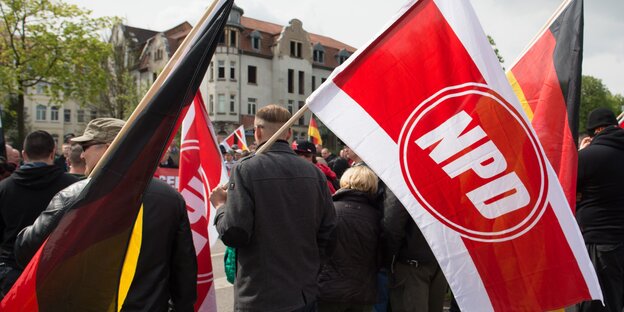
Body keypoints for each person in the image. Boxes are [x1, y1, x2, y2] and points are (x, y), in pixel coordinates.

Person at [14, 118, 197, 311]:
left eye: (86, 146)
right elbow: (184, 275)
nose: (82, 155)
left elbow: (25, 249)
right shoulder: (170, 198)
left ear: (109, 148)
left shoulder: (73, 196)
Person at [211, 104, 336, 312]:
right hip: (303, 293)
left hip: (260, 297)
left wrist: (220, 206)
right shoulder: (314, 173)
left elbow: (235, 233)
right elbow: (329, 233)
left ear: (257, 132)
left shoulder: (245, 169)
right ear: (288, 133)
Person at [0, 131, 78, 298]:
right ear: (53, 152)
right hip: (56, 270)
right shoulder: (73, 187)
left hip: (13, 272)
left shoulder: (4, 188)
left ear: (24, 154)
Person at [576, 107, 624, 312]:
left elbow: (564, 188)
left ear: (597, 130)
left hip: (599, 242)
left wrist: (581, 152)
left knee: (597, 305)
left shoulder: (590, 156)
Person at [317, 166, 382, 312]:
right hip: (363, 291)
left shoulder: (329, 210)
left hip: (328, 288)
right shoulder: (377, 216)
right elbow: (381, 255)